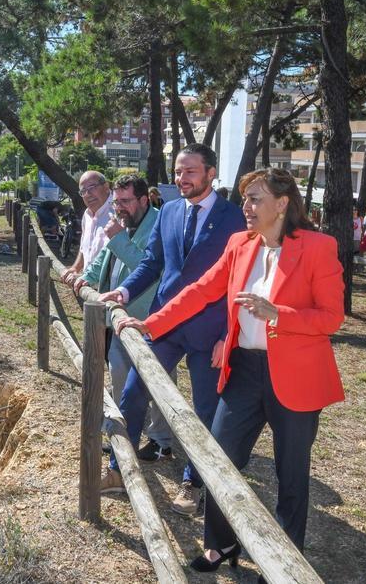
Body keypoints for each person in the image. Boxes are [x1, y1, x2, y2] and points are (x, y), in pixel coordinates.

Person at [114, 167, 345, 572]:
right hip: (243, 372)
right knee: (218, 459)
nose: (246, 207)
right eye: (245, 199)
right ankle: (220, 546)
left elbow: (331, 318)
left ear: (283, 203)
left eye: (255, 198)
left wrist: (280, 314)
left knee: (291, 476)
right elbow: (202, 290)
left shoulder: (318, 246)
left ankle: (287, 567)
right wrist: (152, 324)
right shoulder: (240, 243)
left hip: (295, 377)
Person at [96, 144, 245, 515]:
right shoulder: (169, 213)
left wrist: (229, 334)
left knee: (205, 411)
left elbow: (239, 281)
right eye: (178, 172)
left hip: (210, 331)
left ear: (211, 173)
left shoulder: (235, 219)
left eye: (191, 172)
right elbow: (153, 262)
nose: (182, 179)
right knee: (132, 394)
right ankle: (118, 470)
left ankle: (194, 483)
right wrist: (126, 289)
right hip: (164, 322)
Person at [72, 175, 173, 461]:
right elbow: (106, 257)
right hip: (120, 317)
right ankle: (123, 435)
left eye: (126, 201)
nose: (120, 208)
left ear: (144, 200)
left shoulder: (158, 223)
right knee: (119, 377)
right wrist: (85, 279)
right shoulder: (122, 222)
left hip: (150, 318)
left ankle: (161, 439)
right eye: (117, 202)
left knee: (156, 379)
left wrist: (117, 238)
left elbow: (147, 267)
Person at [61, 171, 113, 285]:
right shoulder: (87, 214)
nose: (88, 194)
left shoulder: (117, 213)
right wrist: (75, 268)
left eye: (92, 187)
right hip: (86, 285)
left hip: (107, 290)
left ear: (106, 187)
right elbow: (85, 247)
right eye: (83, 191)